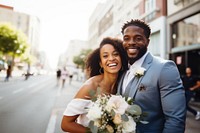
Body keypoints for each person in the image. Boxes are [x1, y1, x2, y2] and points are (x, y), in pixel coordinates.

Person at [117, 19, 186, 133]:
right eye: (126, 38)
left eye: (138, 38)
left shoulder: (164, 68)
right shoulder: (122, 69)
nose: (131, 42)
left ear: (147, 42)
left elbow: (175, 120)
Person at [61, 37, 128, 133]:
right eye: (105, 56)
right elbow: (65, 124)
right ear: (101, 63)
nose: (111, 58)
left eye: (116, 54)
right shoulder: (90, 86)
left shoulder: (122, 84)